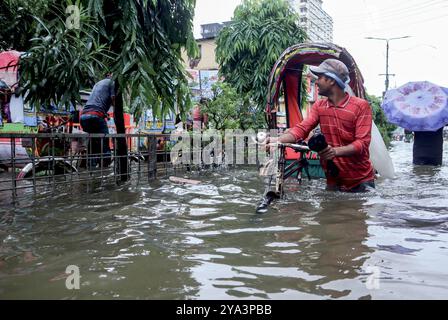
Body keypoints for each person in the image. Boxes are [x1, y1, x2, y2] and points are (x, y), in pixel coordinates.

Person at [269, 59, 375, 192]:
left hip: (360, 181)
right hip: (333, 179)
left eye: (320, 78)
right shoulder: (319, 106)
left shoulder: (361, 106)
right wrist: (277, 141)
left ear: (331, 80)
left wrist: (335, 152)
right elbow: (302, 128)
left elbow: (362, 143)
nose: (317, 82)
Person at [80, 73, 115, 168]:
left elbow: (96, 101)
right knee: (105, 143)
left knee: (93, 142)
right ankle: (105, 169)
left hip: (84, 116)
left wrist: (105, 113)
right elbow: (113, 99)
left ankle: (91, 167)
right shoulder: (112, 82)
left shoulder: (98, 83)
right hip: (95, 116)